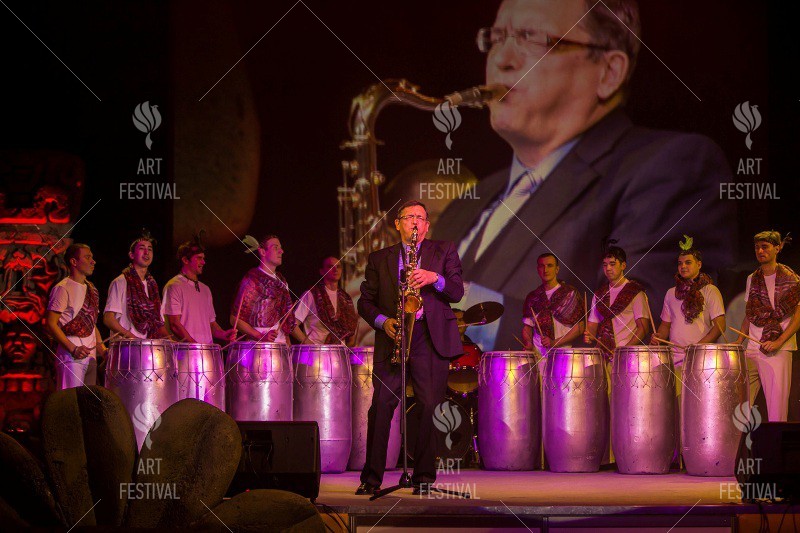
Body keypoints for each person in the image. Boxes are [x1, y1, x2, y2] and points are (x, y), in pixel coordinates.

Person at [434, 0, 736, 352]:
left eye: (532, 37)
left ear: (609, 71)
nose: (502, 59)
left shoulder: (675, 166)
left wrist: (454, 310)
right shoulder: (462, 206)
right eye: (497, 37)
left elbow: (635, 335)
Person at [356, 201, 464, 496]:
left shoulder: (444, 250)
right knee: (381, 406)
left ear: (427, 225)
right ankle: (372, 478)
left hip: (428, 337)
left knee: (429, 406)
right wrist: (383, 322)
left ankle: (424, 477)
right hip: (394, 335)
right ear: (397, 224)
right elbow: (364, 302)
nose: (415, 222)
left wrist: (434, 278)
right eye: (409, 217)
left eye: (420, 217)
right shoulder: (379, 258)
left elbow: (456, 291)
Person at [735, 231, 800, 422]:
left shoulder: (792, 279)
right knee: (740, 402)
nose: (760, 251)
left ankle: (775, 443)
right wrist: (739, 340)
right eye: (757, 247)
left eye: (765, 247)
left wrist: (779, 342)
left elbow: (798, 317)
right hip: (753, 347)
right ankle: (742, 441)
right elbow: (750, 313)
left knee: (776, 409)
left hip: (777, 348)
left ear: (777, 248)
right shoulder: (752, 278)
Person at [651, 238, 726, 378]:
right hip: (675, 359)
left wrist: (696, 348)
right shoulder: (671, 293)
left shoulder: (709, 290)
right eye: (680, 263)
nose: (683, 266)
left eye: (688, 262)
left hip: (701, 358)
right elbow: (665, 325)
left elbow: (720, 326)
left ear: (699, 264)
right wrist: (659, 337)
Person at [45, 243, 107, 389]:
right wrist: (73, 349)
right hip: (71, 357)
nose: (93, 261)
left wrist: (102, 350)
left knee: (88, 401)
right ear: (74, 262)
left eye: (92, 257)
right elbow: (51, 323)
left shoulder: (92, 289)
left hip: (90, 356)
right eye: (87, 257)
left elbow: (91, 324)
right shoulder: (62, 288)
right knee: (71, 400)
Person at [230, 235, 303, 344]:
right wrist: (260, 336)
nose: (281, 251)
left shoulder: (282, 282)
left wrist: (288, 346)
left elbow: (285, 321)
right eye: (275, 248)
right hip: (258, 347)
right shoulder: (253, 280)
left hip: (280, 346)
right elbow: (235, 319)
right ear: (263, 252)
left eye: (281, 248)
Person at [162, 238, 235, 344]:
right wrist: (195, 347)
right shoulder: (173, 286)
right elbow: (175, 325)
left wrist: (224, 334)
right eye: (199, 258)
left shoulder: (206, 289)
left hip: (205, 351)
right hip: (186, 352)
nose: (203, 262)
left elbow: (211, 324)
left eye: (203, 258)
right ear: (185, 260)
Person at [585, 243, 650, 359]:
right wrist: (589, 335)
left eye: (612, 264)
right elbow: (592, 325)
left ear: (623, 265)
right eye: (605, 265)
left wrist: (623, 350)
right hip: (603, 355)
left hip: (626, 356)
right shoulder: (599, 294)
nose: (608, 268)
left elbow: (643, 328)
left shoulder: (635, 292)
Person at [521, 253, 584, 369]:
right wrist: (528, 343)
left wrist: (554, 342)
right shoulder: (532, 297)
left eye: (549, 265)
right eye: (542, 266)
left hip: (564, 356)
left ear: (557, 269)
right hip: (539, 357)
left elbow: (579, 327)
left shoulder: (570, 293)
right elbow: (527, 327)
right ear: (538, 269)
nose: (545, 270)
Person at [103, 230, 169, 339]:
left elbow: (158, 323)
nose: (147, 252)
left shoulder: (152, 285)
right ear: (131, 255)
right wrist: (133, 339)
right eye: (142, 248)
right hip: (126, 346)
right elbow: (108, 319)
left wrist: (170, 341)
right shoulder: (121, 282)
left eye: (150, 249)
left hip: (147, 345)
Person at [295, 256, 358, 346]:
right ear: (322, 271)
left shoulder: (345, 298)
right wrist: (309, 344)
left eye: (338, 267)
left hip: (340, 352)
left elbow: (351, 335)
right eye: (331, 266)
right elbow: (292, 325)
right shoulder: (311, 294)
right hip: (317, 352)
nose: (335, 270)